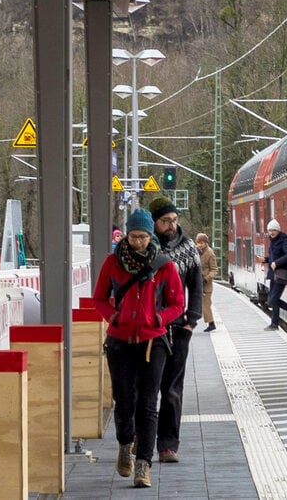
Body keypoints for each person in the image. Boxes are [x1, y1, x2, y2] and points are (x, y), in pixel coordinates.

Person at [93, 208, 184, 488]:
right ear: (127, 235)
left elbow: (177, 303)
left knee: (148, 404)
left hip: (153, 342)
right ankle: (124, 444)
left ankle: (143, 464)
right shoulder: (112, 263)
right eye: (134, 236)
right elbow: (99, 299)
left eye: (143, 237)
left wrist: (160, 318)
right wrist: (114, 316)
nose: (139, 242)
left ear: (150, 236)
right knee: (124, 401)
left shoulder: (164, 265)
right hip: (120, 341)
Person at [148, 194, 203, 464]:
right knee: (146, 387)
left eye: (174, 220)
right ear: (154, 222)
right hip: (148, 329)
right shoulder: (144, 247)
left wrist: (192, 320)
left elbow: (196, 284)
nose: (171, 225)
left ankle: (168, 445)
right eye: (165, 221)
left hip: (178, 328)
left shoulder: (189, 248)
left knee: (172, 388)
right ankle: (141, 439)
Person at [256, 219, 287, 331]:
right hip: (274, 274)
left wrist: (277, 263)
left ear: (278, 230)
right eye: (269, 230)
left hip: (281, 273)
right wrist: (265, 259)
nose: (271, 233)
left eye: (273, 230)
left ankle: (275, 323)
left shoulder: (284, 240)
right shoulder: (273, 240)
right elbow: (274, 257)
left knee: (273, 299)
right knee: (271, 299)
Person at [194, 233, 219, 332]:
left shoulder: (210, 253)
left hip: (206, 284)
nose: (199, 245)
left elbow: (214, 270)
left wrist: (206, 278)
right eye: (198, 243)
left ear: (205, 243)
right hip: (197, 282)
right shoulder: (195, 251)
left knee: (205, 304)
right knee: (200, 304)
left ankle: (211, 324)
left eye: (201, 243)